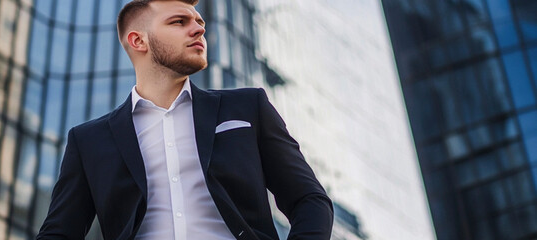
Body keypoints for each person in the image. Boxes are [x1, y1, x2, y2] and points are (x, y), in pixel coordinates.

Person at [36, 0, 333, 239]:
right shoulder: (89, 140)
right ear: (139, 40)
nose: (198, 29)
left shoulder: (246, 107)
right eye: (179, 22)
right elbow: (59, 232)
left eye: (199, 22)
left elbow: (310, 199)